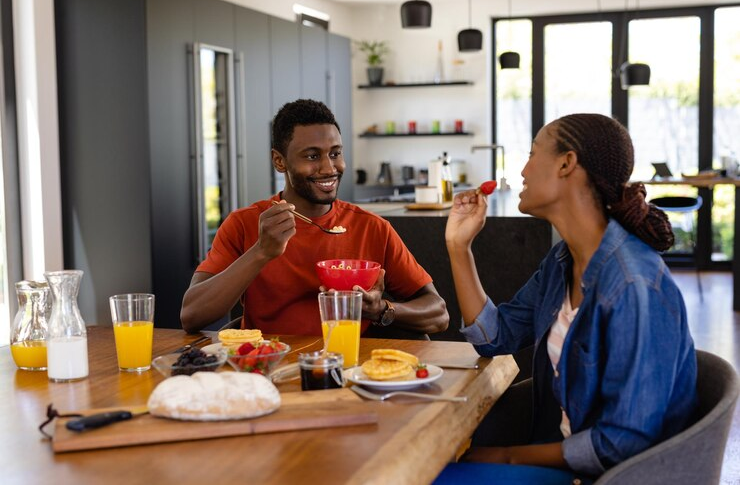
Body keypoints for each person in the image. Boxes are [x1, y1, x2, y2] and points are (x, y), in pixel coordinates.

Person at [437, 113, 697, 483]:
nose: (523, 171)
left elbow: (624, 442)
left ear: (566, 163)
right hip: (562, 461)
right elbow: (496, 337)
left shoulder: (633, 284)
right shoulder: (562, 262)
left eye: (531, 153)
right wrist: (458, 247)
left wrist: (506, 457)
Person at [180, 99, 449, 337]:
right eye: (312, 156)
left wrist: (381, 310)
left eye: (335, 153)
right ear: (279, 161)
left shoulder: (372, 228)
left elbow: (439, 315)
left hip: (348, 372)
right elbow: (192, 316)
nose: (329, 168)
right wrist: (261, 251)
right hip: (267, 370)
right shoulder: (245, 223)